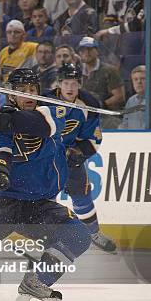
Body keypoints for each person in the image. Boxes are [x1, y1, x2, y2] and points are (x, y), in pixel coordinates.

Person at [0, 68, 91, 301]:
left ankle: (36, 281)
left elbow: (43, 127)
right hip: (4, 203)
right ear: (10, 94)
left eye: (33, 90)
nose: (29, 95)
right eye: (21, 91)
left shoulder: (52, 109)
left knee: (78, 235)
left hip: (40, 206)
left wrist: (10, 119)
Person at [43, 62, 117, 252]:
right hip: (45, 158)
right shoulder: (44, 101)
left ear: (80, 84)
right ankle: (45, 237)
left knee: (82, 197)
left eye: (74, 83)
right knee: (44, 200)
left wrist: (78, 153)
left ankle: (93, 233)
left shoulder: (89, 104)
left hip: (69, 158)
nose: (70, 87)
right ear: (58, 84)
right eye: (66, 83)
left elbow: (93, 138)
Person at [77, 37, 125, 128]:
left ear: (97, 51)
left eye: (90, 49)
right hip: (85, 117)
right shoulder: (78, 72)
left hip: (107, 118)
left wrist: (99, 105)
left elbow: (119, 96)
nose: (86, 53)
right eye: (83, 50)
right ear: (80, 53)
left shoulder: (109, 70)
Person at [121, 65, 151, 130]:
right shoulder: (131, 101)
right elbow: (125, 124)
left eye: (143, 78)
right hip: (133, 138)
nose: (139, 82)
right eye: (135, 79)